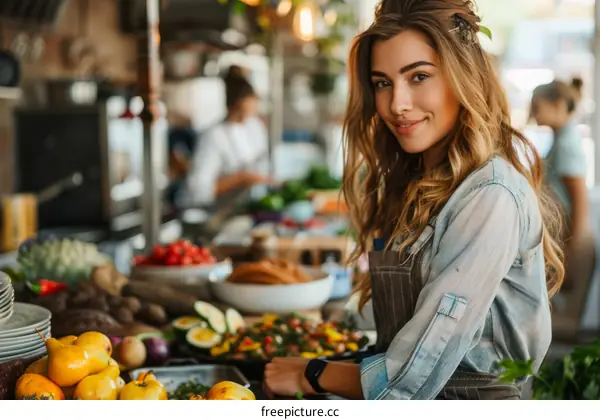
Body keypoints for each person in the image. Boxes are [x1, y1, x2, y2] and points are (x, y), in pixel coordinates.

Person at [263, 0, 565, 400]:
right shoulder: (417, 183)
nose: (396, 104)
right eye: (382, 82)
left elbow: (422, 365)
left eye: (418, 76)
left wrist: (313, 373)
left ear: (463, 78)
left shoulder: (489, 195)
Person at [530, 79, 595, 292]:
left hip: (570, 241)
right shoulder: (560, 139)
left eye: (537, 107)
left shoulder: (566, 143)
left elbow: (579, 200)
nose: (533, 114)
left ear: (557, 104)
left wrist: (571, 253)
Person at [184, 65, 270, 209]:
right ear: (238, 102)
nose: (256, 105)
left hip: (250, 208)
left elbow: (263, 166)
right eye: (251, 100)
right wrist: (239, 178)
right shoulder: (213, 136)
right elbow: (198, 190)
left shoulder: (255, 128)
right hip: (217, 212)